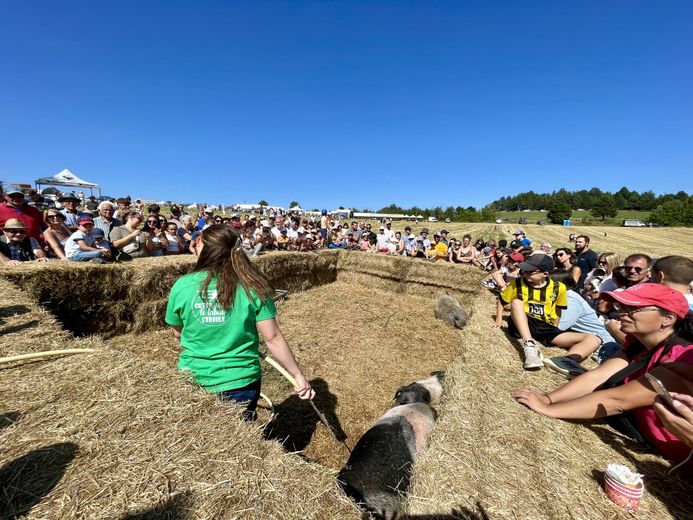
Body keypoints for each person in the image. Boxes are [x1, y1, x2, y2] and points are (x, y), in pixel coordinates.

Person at [513, 283, 693, 471]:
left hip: (678, 458)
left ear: (668, 319)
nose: (621, 312)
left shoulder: (682, 357)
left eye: (633, 308)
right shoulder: (638, 343)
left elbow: (618, 400)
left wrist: (549, 410)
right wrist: (548, 398)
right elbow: (599, 375)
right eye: (621, 306)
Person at [165, 224, 315, 421]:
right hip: (240, 380)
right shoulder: (254, 285)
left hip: (194, 377)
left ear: (201, 245)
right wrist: (298, 376)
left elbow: (178, 332)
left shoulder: (182, 285)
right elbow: (273, 338)